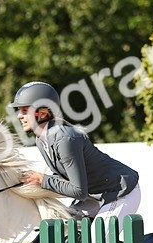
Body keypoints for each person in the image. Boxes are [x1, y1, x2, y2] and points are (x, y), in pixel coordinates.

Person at [11, 82, 141, 233]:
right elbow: (62, 179)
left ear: (43, 113)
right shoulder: (41, 140)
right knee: (68, 229)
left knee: (95, 241)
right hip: (96, 195)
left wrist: (42, 179)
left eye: (25, 110)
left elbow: (79, 191)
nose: (19, 116)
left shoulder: (65, 139)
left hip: (119, 192)